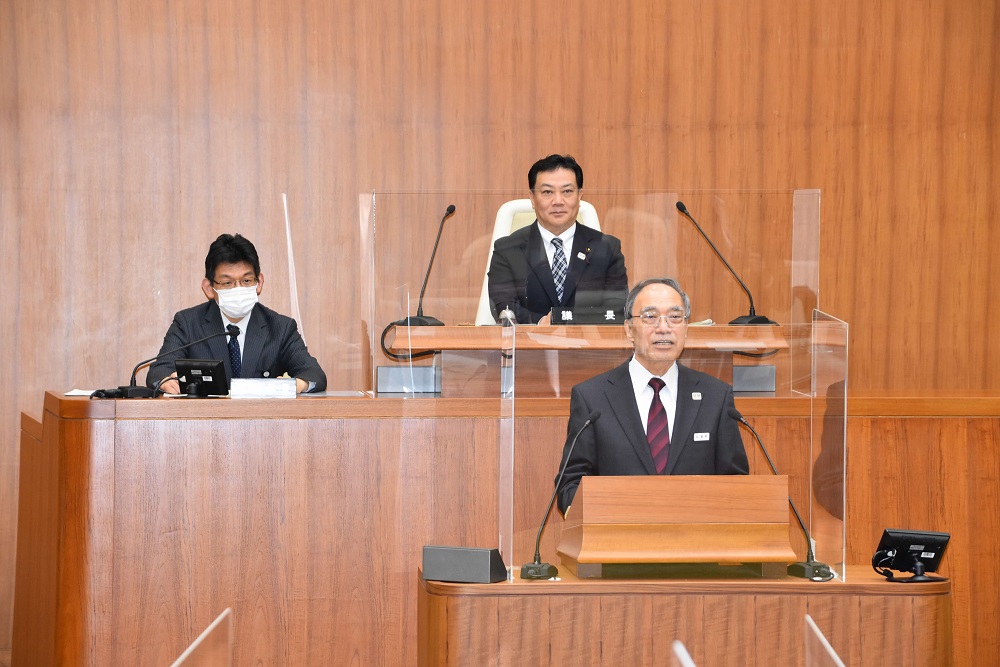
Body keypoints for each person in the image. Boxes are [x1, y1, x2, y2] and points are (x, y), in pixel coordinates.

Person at [556, 277, 748, 514]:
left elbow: (737, 485)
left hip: (694, 543)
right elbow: (570, 485)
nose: (664, 327)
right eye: (650, 316)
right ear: (629, 329)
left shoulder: (716, 397)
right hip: (618, 543)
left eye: (675, 317)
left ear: (686, 328)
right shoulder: (592, 398)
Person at [146, 233, 327, 394]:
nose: (238, 289)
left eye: (247, 280)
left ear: (260, 282)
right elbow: (159, 370)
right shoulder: (188, 323)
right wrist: (166, 382)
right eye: (227, 283)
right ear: (209, 288)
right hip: (204, 425)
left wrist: (296, 385)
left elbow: (313, 374)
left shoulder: (280, 327)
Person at [487, 154, 628, 324]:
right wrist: (542, 323)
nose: (558, 201)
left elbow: (616, 309)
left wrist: (566, 323)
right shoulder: (507, 249)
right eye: (547, 192)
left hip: (589, 346)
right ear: (532, 198)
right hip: (530, 346)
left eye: (567, 191)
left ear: (580, 196)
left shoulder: (607, 248)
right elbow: (505, 308)